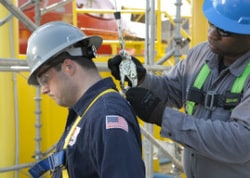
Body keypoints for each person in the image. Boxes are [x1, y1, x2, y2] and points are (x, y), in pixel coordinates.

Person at [108, 0, 250, 178]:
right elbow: (170, 90)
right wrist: (141, 78)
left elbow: (242, 142)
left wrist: (163, 116)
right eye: (211, 23)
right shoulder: (201, 54)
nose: (212, 34)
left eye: (223, 30)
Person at [25, 21, 145, 178]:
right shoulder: (89, 113)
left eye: (45, 79)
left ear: (68, 66)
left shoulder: (106, 116)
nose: (44, 89)